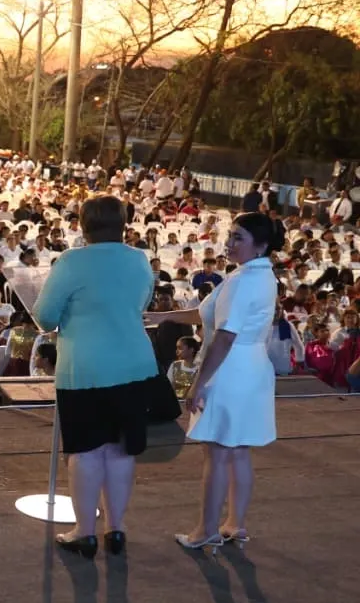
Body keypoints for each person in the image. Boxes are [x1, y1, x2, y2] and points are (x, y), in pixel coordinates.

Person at [33, 196, 159, 559]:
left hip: (85, 369)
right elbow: (143, 302)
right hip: (134, 367)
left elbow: (44, 317)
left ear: (83, 224)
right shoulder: (139, 259)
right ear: (123, 224)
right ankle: (115, 529)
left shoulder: (72, 261)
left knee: (86, 452)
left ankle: (84, 532)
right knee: (121, 450)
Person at [147, 212, 282, 550]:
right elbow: (206, 313)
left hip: (230, 368)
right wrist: (160, 316)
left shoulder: (244, 280)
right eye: (231, 235)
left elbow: (223, 336)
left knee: (218, 452)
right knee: (237, 450)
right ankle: (234, 524)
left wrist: (198, 384)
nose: (230, 242)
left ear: (261, 245)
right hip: (249, 367)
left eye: (239, 238)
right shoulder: (256, 275)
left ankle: (206, 529)